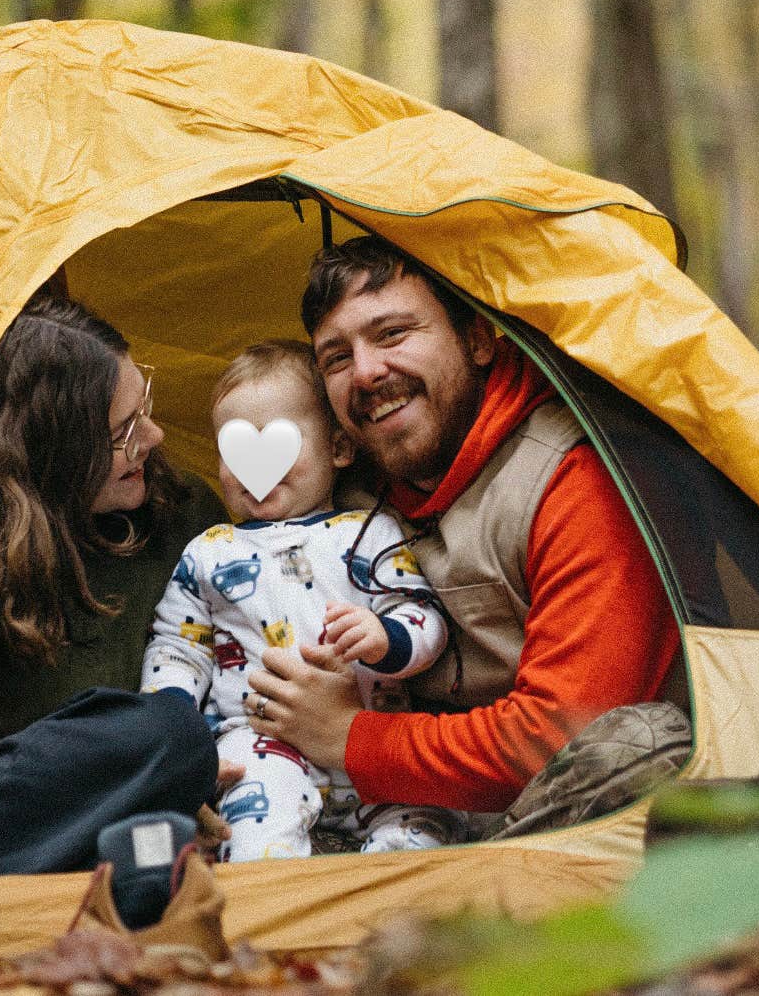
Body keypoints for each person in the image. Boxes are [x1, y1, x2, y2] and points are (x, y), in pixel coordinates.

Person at [245, 236, 684, 818]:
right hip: (386, 813)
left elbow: (557, 736)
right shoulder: (344, 493)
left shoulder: (572, 480)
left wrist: (347, 736)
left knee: (644, 741)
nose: (367, 373)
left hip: (558, 819)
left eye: (392, 334)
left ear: (477, 339)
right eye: (337, 357)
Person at [142, 340, 455, 859]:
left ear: (338, 449)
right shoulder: (211, 551)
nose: (252, 466)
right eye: (233, 448)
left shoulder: (370, 533)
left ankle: (379, 905)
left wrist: (387, 638)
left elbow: (423, 612)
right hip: (263, 740)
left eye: (279, 443)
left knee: (426, 823)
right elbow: (177, 644)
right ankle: (270, 910)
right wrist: (175, 719)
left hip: (370, 734)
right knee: (253, 820)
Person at [0, 295, 226, 874]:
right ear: (55, 453)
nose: (153, 436)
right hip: (24, 806)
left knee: (170, 743)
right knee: (166, 739)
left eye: (142, 410)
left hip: (139, 809)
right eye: (123, 432)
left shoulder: (184, 516)